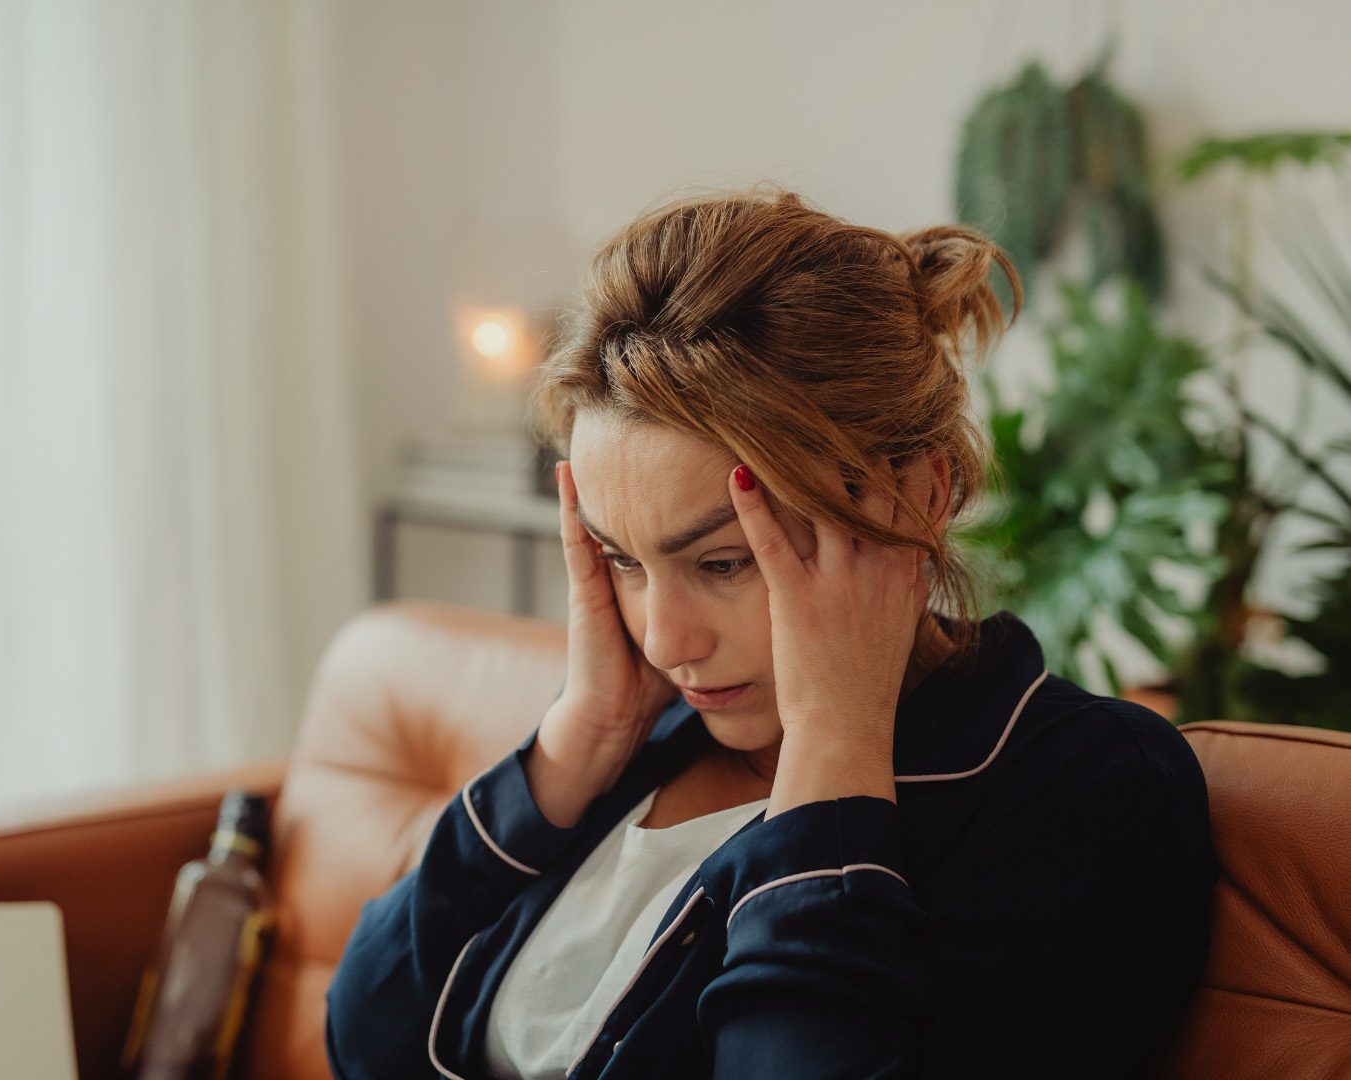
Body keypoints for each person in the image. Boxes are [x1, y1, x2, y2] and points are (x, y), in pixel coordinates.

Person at [324, 184, 1216, 1079]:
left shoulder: (1085, 792)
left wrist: (836, 749)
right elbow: (363, 1036)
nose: (666, 641)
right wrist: (574, 743)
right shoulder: (644, 739)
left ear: (919, 498)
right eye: (622, 560)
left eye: (721, 563)